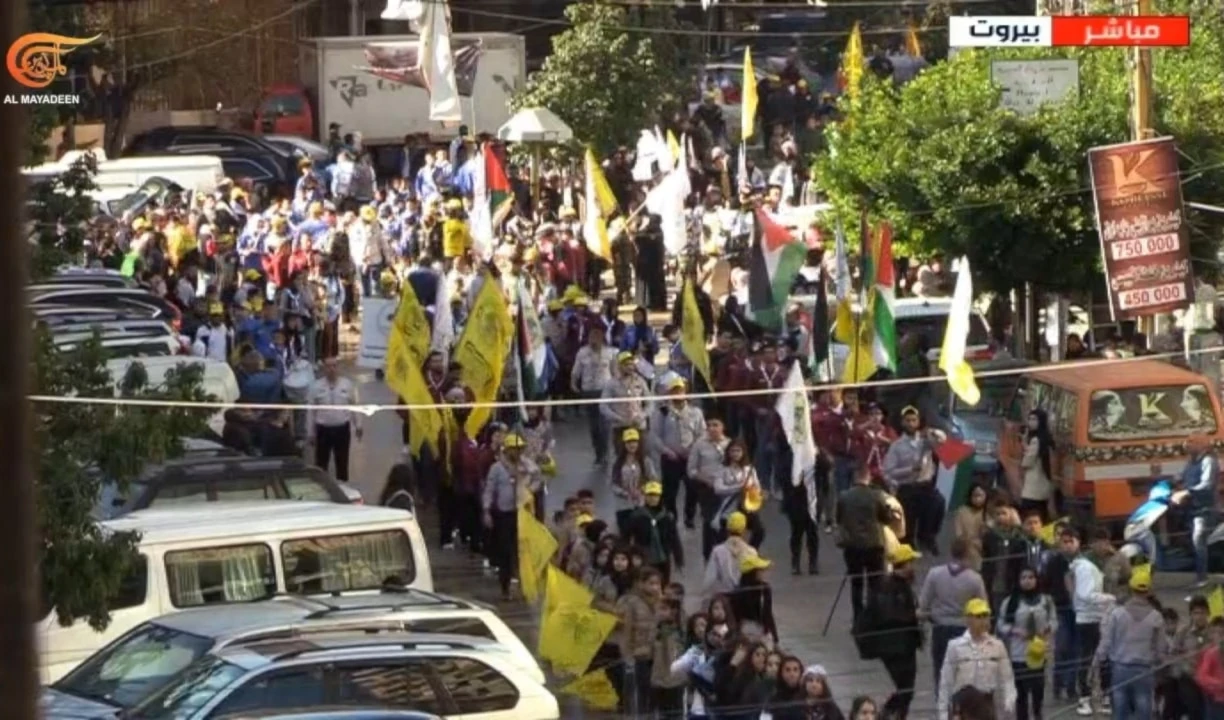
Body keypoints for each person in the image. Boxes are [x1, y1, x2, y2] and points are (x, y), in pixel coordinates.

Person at [1096, 566, 1165, 720]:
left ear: (1131, 589)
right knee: (1144, 703)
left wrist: (1099, 659)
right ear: (1149, 591)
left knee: (1120, 706)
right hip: (1144, 668)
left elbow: (1106, 641)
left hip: (1120, 667)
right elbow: (1161, 648)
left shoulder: (1117, 614)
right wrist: (1160, 664)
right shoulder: (1156, 617)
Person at [919, 537, 988, 688]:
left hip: (940, 628)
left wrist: (928, 616)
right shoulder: (975, 579)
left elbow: (923, 604)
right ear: (968, 553)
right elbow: (983, 608)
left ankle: (942, 699)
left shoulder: (935, 574)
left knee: (941, 669)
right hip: (965, 629)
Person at [1062, 525, 1115, 717]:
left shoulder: (1086, 565)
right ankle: (1085, 697)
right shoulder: (1085, 567)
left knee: (1100, 657)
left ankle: (1104, 696)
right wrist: (1109, 598)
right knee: (1090, 658)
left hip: (1096, 617)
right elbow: (1085, 594)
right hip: (1088, 618)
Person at [937, 598, 1016, 720]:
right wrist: (943, 713)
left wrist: (1009, 702)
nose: (983, 620)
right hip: (963, 706)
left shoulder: (997, 646)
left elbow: (1007, 678)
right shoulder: (955, 646)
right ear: (968, 619)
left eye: (986, 616)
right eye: (978, 617)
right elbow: (946, 681)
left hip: (986, 705)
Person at [882, 406, 945, 553]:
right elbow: (888, 472)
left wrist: (932, 432)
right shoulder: (896, 446)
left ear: (918, 422)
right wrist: (909, 470)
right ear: (902, 423)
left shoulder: (926, 442)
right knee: (908, 518)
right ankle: (908, 543)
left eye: (914, 420)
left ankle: (927, 536)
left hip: (926, 485)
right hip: (907, 487)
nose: (911, 423)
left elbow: (942, 440)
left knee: (939, 503)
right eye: (908, 420)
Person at [870, 544, 923, 720]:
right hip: (894, 647)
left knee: (907, 688)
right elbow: (889, 615)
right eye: (911, 562)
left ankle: (897, 714)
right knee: (905, 688)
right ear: (904, 564)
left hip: (906, 644)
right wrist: (914, 615)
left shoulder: (903, 585)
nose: (914, 567)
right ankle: (886, 713)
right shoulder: (888, 587)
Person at [997, 567, 1057, 720]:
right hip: (1019, 653)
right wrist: (1015, 631)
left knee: (1038, 689)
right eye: (1023, 578)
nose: (1027, 581)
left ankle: (1037, 714)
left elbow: (1054, 620)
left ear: (1036, 580)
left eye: (1031, 577)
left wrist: (1048, 628)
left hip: (1039, 652)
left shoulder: (1046, 601)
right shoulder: (1010, 602)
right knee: (1021, 693)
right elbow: (1001, 624)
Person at [482, 432, 537, 600]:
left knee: (522, 550)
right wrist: (486, 511)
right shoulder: (497, 468)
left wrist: (528, 484)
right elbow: (489, 490)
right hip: (504, 515)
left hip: (522, 514)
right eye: (514, 449)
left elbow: (539, 477)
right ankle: (505, 586)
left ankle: (523, 585)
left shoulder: (526, 465)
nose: (517, 452)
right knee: (505, 551)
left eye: (519, 449)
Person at [836, 464, 893, 623]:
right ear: (869, 477)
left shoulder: (844, 496)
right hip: (874, 545)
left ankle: (858, 617)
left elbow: (839, 519)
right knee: (876, 583)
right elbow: (887, 519)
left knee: (856, 583)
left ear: (855, 478)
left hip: (853, 546)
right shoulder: (876, 496)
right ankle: (875, 616)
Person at [651, 377, 706, 527]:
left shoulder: (696, 412)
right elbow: (655, 436)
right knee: (670, 491)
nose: (678, 393)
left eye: (680, 390)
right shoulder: (662, 413)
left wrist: (694, 450)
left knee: (692, 490)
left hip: (690, 458)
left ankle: (690, 516)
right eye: (674, 390)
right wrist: (667, 451)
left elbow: (702, 433)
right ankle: (671, 517)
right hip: (671, 458)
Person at [1173, 434, 1220, 588]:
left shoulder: (1208, 461)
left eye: (1191, 441)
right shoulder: (1191, 461)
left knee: (1198, 539)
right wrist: (1173, 482)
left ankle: (1202, 579)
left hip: (1205, 509)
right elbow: (1181, 477)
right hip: (1191, 508)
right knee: (1192, 542)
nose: (1186, 444)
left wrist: (1186, 493)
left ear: (1203, 444)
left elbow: (1206, 485)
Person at [306, 356, 362, 481]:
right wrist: (310, 432)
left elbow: (355, 406)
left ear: (338, 368)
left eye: (334, 366)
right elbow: (311, 411)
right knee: (321, 463)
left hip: (342, 429)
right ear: (324, 369)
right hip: (323, 430)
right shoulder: (316, 386)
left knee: (342, 461)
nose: (331, 369)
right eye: (328, 366)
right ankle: (322, 485)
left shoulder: (347, 385)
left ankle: (343, 486)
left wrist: (358, 424)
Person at [616, 565, 663, 716]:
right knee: (641, 693)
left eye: (657, 583)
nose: (655, 587)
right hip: (639, 655)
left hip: (659, 656)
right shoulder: (632, 603)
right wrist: (627, 656)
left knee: (657, 694)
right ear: (641, 584)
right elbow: (626, 632)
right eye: (651, 583)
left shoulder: (663, 603)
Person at [689, 417, 732, 560]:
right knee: (709, 522)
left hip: (726, 490)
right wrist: (706, 480)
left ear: (723, 427)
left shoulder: (729, 444)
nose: (712, 428)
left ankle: (724, 555)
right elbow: (691, 470)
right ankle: (708, 556)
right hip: (708, 489)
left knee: (725, 523)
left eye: (716, 425)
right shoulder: (699, 445)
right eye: (709, 425)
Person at [627, 481, 684, 583]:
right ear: (645, 497)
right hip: (644, 558)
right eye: (650, 495)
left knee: (664, 583)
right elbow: (627, 537)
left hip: (663, 559)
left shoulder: (667, 516)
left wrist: (678, 559)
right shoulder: (637, 516)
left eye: (656, 495)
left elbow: (674, 538)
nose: (653, 498)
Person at [1170, 595, 1212, 720]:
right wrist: (1183, 669)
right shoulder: (1183, 632)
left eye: (1202, 613)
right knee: (1194, 710)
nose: (1199, 616)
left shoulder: (1215, 632)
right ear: (1191, 615)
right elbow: (1174, 655)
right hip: (1189, 678)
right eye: (1195, 613)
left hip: (1210, 679)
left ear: (1208, 613)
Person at [703, 511, 758, 599]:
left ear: (727, 530)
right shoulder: (752, 552)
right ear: (744, 531)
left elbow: (710, 581)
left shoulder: (717, 551)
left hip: (724, 598)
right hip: (744, 598)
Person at [612, 428, 656, 536]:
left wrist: (642, 490)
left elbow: (653, 479)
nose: (632, 445)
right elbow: (613, 484)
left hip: (641, 504)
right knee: (625, 535)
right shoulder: (617, 462)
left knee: (641, 535)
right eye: (629, 442)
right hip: (623, 506)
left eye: (634, 441)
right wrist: (625, 493)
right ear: (624, 444)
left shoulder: (645, 461)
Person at [1020, 409, 1057, 520]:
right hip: (1044, 485)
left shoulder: (1035, 440)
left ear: (1041, 421)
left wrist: (1024, 446)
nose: (1031, 422)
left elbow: (1027, 462)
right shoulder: (1047, 438)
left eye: (1034, 419)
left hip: (1033, 487)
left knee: (1029, 516)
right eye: (1030, 419)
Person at [732, 555, 778, 644]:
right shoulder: (763, 589)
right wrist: (774, 637)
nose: (764, 573)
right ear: (753, 572)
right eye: (761, 570)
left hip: (743, 631)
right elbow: (767, 614)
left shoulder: (737, 590)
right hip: (755, 632)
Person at [953, 481, 990, 571]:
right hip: (964, 549)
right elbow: (959, 533)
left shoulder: (989, 513)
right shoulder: (962, 511)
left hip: (981, 551)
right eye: (975, 495)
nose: (977, 499)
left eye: (980, 496)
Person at [1195, 618, 1224, 720]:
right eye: (1217, 633)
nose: (1221, 637)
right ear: (1211, 635)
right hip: (1215, 698)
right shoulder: (1210, 653)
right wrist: (1220, 684)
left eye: (1222, 633)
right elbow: (1201, 676)